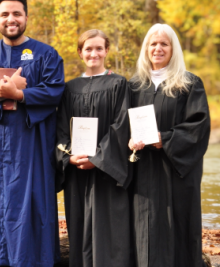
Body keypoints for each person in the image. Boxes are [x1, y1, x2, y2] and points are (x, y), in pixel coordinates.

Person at [0, 0, 65, 267]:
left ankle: (34, 259)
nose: (11, 19)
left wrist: (20, 95)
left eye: (17, 14)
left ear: (26, 18)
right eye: (5, 14)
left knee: (33, 202)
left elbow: (54, 91)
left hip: (33, 143)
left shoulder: (47, 54)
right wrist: (0, 89)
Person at [128, 23, 211, 267]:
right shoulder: (134, 86)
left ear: (173, 49)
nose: (158, 48)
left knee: (178, 225)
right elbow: (122, 124)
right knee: (145, 224)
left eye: (164, 43)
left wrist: (164, 138)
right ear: (146, 49)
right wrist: (128, 140)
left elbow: (199, 126)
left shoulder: (188, 84)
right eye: (153, 43)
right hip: (143, 170)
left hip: (176, 172)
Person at [56, 29, 132, 267]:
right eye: (88, 49)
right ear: (80, 52)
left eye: (99, 48)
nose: (94, 53)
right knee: (78, 225)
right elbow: (60, 128)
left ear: (107, 51)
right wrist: (68, 156)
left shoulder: (118, 84)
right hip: (77, 170)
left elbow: (121, 126)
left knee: (108, 227)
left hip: (106, 172)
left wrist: (97, 158)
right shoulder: (70, 88)